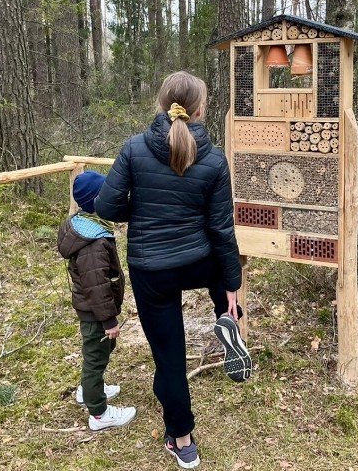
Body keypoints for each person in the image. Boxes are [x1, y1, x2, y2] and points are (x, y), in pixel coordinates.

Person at [96, 71, 251, 470]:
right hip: (197, 262)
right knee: (220, 267)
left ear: (162, 104)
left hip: (152, 270)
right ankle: (227, 312)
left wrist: (143, 211)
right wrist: (232, 284)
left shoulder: (133, 149)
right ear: (200, 109)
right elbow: (221, 229)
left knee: (170, 357)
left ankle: (182, 441)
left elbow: (106, 209)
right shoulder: (215, 159)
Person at [58, 170, 136, 431]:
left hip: (92, 311)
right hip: (96, 313)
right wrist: (109, 320)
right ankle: (99, 413)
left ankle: (88, 389)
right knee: (96, 357)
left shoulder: (86, 226)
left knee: (98, 352)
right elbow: (97, 286)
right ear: (96, 202)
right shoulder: (92, 243)